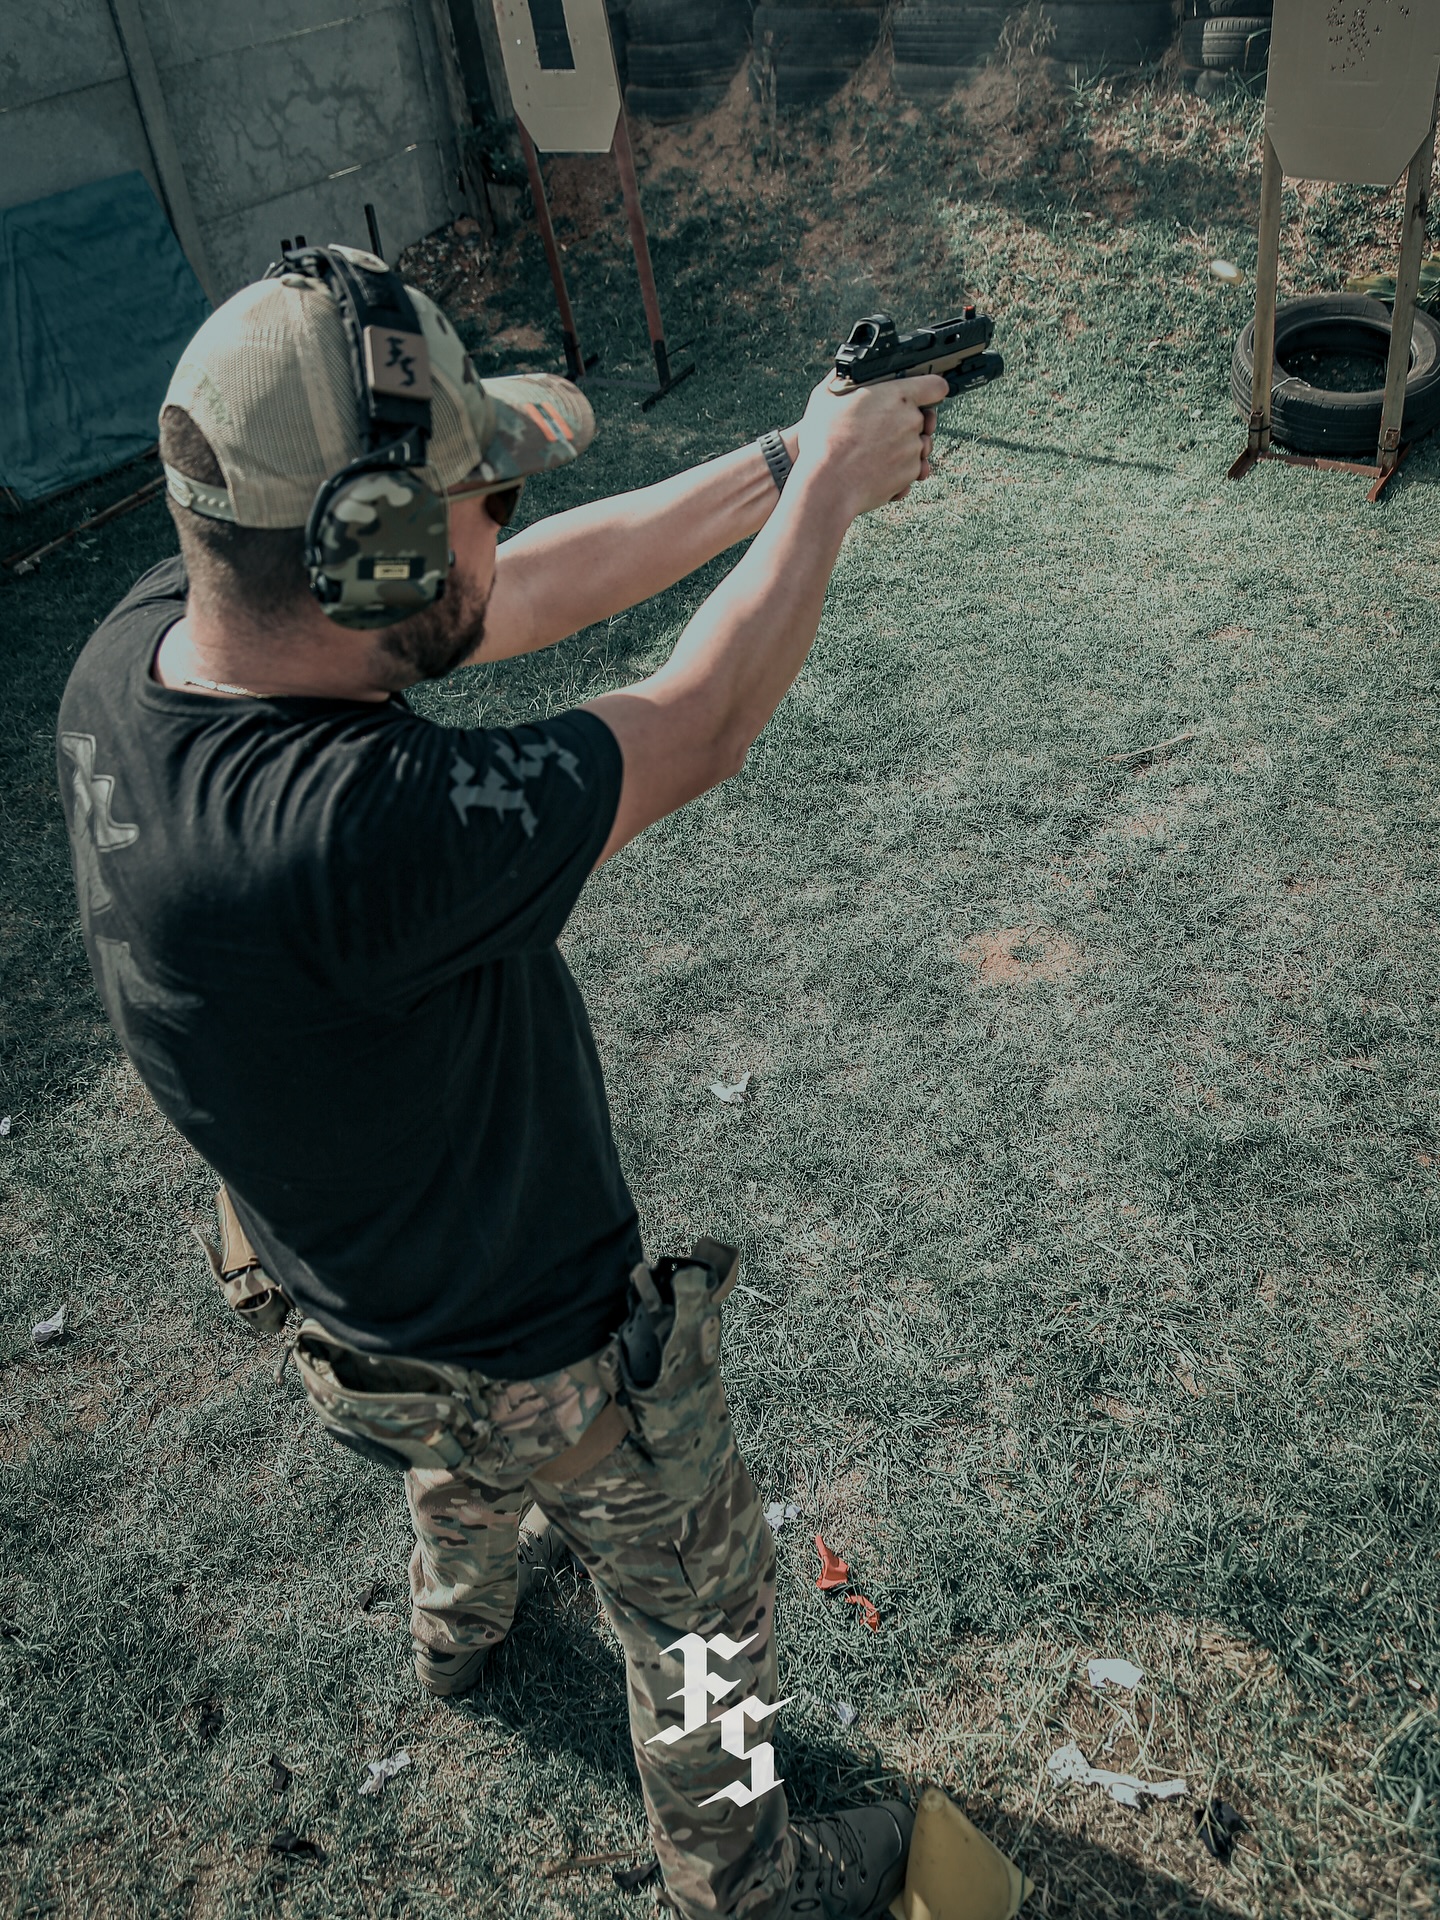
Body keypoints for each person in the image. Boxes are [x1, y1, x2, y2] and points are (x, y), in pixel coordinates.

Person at [56, 244, 945, 1920]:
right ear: (373, 553)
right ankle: (745, 1873)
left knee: (443, 1457)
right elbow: (694, 721)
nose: (500, 522)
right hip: (534, 1345)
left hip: (342, 1299)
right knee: (709, 1615)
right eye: (475, 495)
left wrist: (782, 457)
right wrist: (822, 504)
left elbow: (509, 598)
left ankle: (458, 1630)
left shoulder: (144, 645)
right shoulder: (349, 835)